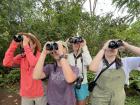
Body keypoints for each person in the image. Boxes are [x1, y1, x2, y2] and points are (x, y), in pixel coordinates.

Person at [89, 39, 140, 105]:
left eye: (115, 46)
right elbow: (92, 68)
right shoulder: (99, 62)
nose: (112, 48)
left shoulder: (125, 62)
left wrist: (126, 45)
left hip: (118, 99)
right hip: (99, 98)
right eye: (109, 46)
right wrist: (103, 48)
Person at [3, 32, 47, 105]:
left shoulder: (40, 55)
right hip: (26, 94)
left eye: (29, 42)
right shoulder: (22, 56)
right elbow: (6, 62)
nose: (26, 43)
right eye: (25, 42)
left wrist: (26, 46)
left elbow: (33, 63)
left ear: (35, 44)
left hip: (39, 93)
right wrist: (14, 44)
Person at [33, 41, 79, 105]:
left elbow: (69, 79)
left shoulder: (74, 68)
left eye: (59, 47)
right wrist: (43, 53)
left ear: (66, 51)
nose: (56, 50)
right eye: (54, 48)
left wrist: (61, 54)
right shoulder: (50, 67)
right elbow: (36, 76)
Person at [67, 36, 92, 105]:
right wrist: (68, 41)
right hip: (70, 84)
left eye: (78, 43)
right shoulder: (69, 56)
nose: (76, 44)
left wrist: (84, 46)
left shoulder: (84, 56)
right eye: (74, 43)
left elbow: (90, 63)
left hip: (82, 83)